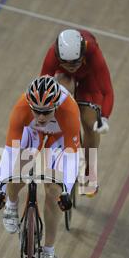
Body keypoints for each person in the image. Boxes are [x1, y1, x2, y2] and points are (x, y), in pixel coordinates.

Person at [0, 75, 80, 258]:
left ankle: (48, 252)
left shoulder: (69, 110)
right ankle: (12, 206)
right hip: (32, 134)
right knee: (18, 169)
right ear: (29, 104)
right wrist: (0, 189)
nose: (40, 117)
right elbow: (9, 152)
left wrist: (66, 190)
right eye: (36, 111)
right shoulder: (22, 107)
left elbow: (72, 157)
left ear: (56, 105)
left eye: (46, 112)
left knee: (54, 190)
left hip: (58, 140)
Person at [40, 28, 114, 196]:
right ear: (59, 58)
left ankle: (90, 172)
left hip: (89, 79)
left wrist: (104, 117)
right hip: (64, 77)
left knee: (90, 123)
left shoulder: (92, 51)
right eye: (67, 63)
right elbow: (42, 87)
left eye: (75, 63)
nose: (72, 67)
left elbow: (107, 91)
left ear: (83, 54)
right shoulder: (52, 54)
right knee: (58, 95)